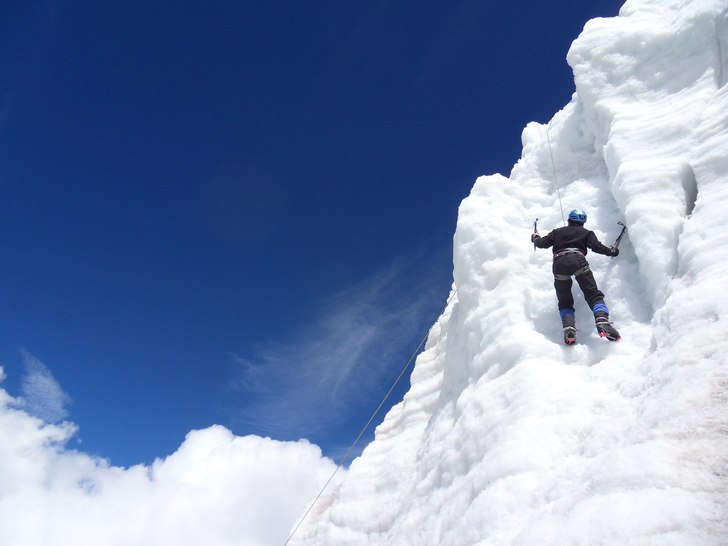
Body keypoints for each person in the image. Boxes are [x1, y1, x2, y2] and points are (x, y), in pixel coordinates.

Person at [531, 209, 621, 345]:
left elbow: (541, 243)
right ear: (583, 222)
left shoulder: (557, 232)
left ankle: (569, 330)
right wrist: (612, 251)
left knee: (565, 301)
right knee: (593, 295)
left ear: (569, 220)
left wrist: (535, 237)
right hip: (578, 260)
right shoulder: (587, 233)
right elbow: (597, 247)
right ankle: (602, 321)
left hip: (559, 264)